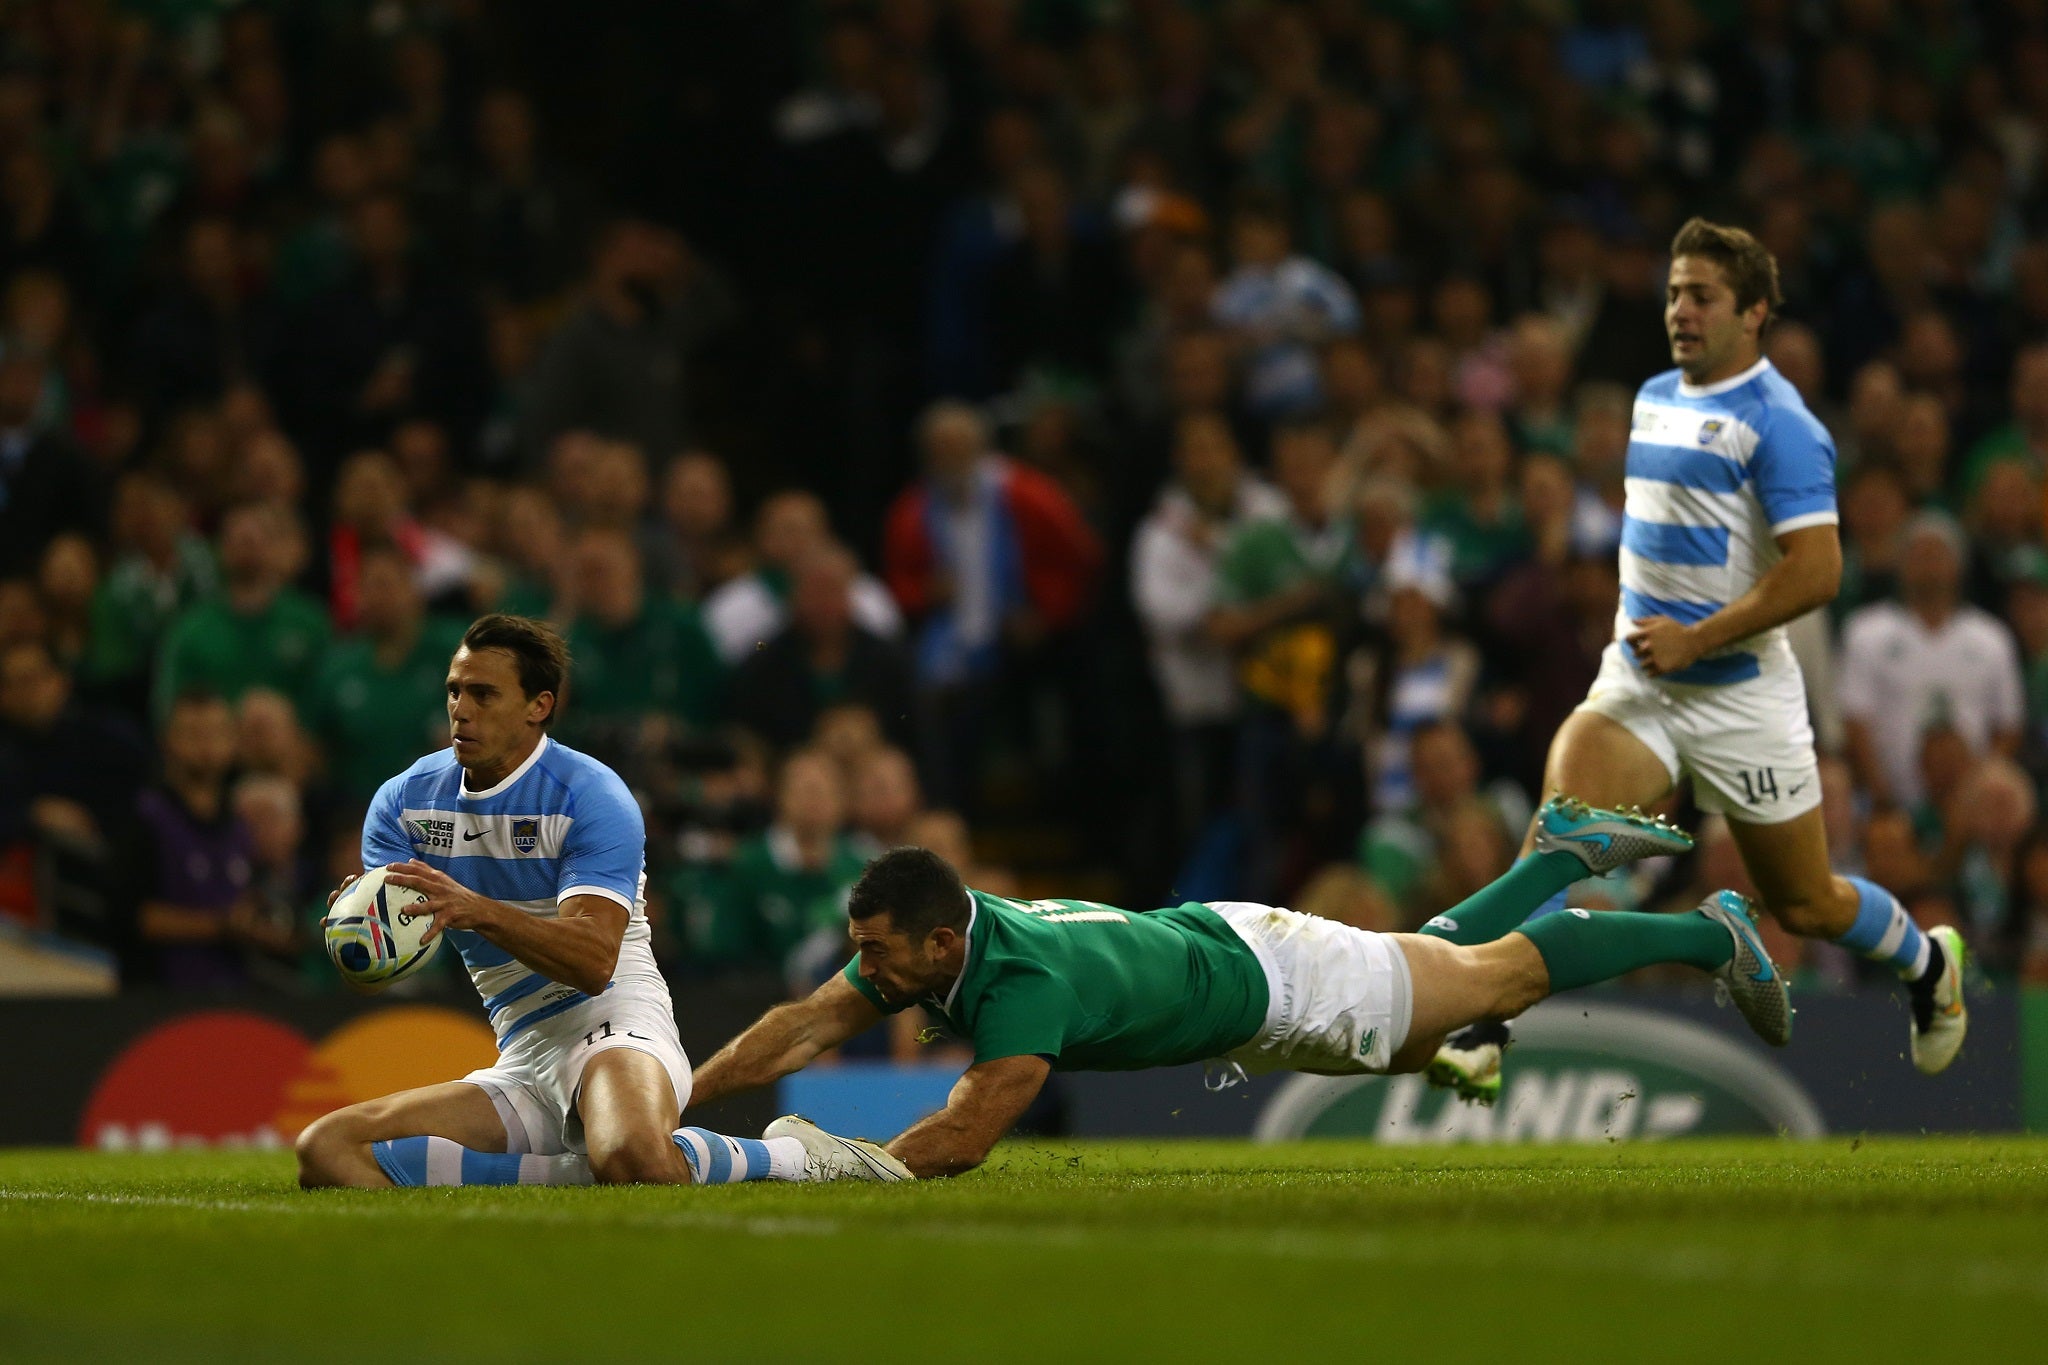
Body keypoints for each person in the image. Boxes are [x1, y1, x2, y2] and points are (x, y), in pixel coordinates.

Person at [1434, 219, 1968, 1108]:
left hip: (1739, 698)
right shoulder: (1650, 396)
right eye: (1675, 291)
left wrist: (1700, 635)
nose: (1681, 310)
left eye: (1703, 296)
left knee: (1807, 904)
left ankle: (1928, 962)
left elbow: (1819, 569)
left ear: (1754, 313)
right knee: (1560, 838)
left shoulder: (1785, 427)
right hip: (1640, 682)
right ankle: (1484, 1023)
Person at [680, 799, 1785, 1181]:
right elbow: (799, 1026)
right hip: (1237, 958)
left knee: (1483, 982)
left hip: (1276, 978)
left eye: (877, 955)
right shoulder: (931, 944)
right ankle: (1551, 857)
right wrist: (683, 1097)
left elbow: (967, 1136)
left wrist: (829, 1163)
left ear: (932, 940)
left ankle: (1703, 929)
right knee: (1428, 1017)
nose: (863, 974)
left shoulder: (1015, 980)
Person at [293, 615, 868, 1190]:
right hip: (522, 1050)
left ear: (538, 706)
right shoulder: (402, 803)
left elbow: (593, 963)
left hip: (616, 1021)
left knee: (637, 1162)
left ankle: (795, 1156)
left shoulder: (592, 796)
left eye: (484, 694)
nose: (461, 709)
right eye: (454, 690)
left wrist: (476, 908)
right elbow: (392, 964)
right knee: (327, 1149)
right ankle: (581, 1168)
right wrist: (363, 935)